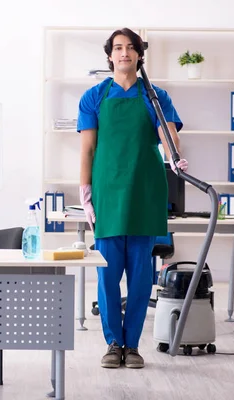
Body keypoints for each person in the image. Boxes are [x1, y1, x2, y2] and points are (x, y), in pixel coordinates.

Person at [77, 28, 188, 369]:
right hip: (109, 193)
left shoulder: (156, 97)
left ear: (140, 55)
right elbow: (88, 148)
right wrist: (85, 192)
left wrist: (174, 153)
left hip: (145, 192)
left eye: (131, 48)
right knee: (109, 276)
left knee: (141, 276)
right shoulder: (94, 97)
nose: (124, 53)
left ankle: (134, 345)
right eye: (118, 48)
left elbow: (167, 137)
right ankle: (113, 343)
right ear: (109, 55)